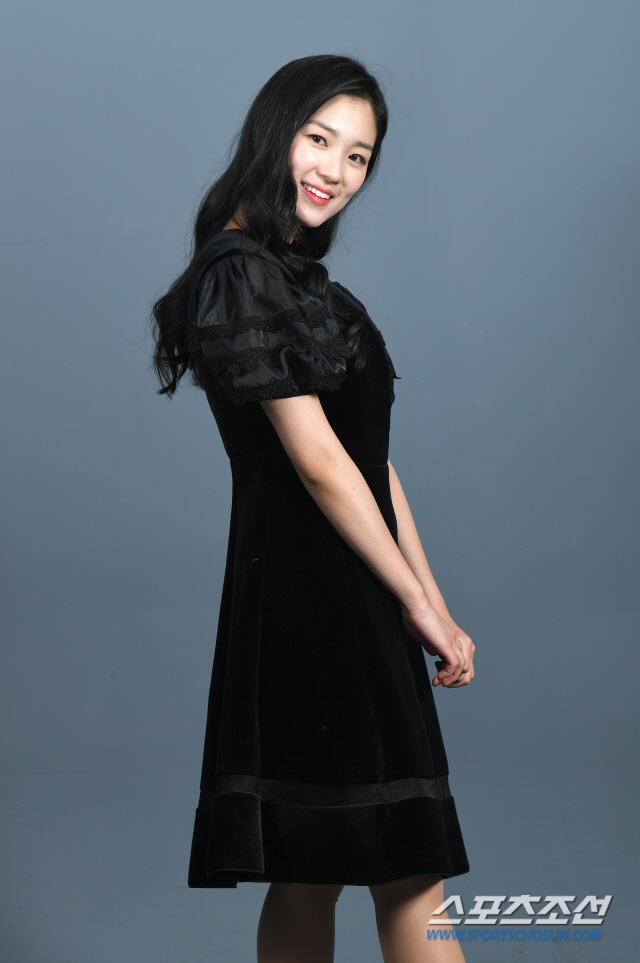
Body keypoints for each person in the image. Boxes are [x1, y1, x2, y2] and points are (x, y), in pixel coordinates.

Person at [151, 54, 475, 963]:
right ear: (274, 134)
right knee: (401, 869)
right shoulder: (238, 271)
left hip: (354, 587)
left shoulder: (306, 285)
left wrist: (430, 601)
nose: (336, 170)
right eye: (319, 139)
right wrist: (411, 600)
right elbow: (320, 462)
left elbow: (372, 464)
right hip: (314, 600)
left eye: (358, 156)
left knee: (314, 869)